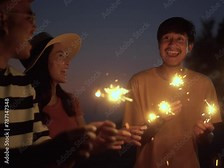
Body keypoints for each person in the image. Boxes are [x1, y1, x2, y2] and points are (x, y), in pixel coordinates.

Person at [0, 0, 129, 167]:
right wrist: (56, 147)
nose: (35, 26)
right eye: (29, 17)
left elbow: (39, 142)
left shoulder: (23, 85)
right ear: (2, 18)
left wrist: (87, 144)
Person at [122, 17, 222, 168]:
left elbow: (208, 140)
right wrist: (159, 120)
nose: (172, 44)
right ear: (159, 45)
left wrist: (205, 134)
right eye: (166, 38)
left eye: (180, 39)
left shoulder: (204, 83)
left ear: (190, 46)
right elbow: (135, 138)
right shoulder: (138, 82)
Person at [20, 32, 85, 138]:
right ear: (43, 62)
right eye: (60, 56)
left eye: (66, 56)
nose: (67, 62)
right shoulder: (26, 105)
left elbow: (86, 140)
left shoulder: (71, 101)